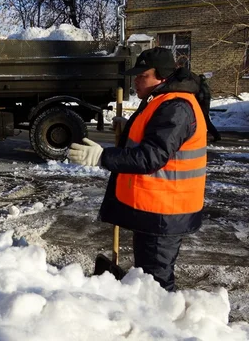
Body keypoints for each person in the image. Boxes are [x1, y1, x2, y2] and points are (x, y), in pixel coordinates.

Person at [68, 47, 207, 292]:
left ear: (161, 76)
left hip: (166, 212)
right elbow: (154, 138)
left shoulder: (176, 107)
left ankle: (161, 326)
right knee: (148, 277)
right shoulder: (161, 99)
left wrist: (103, 156)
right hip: (155, 209)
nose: (135, 82)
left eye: (142, 76)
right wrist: (130, 127)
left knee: (157, 285)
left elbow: (151, 157)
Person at [195, 73, 221, 142]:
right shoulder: (205, 86)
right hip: (205, 106)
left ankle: (216, 135)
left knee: (205, 122)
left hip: (202, 107)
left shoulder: (201, 87)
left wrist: (196, 99)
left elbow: (200, 97)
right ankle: (215, 135)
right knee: (205, 121)